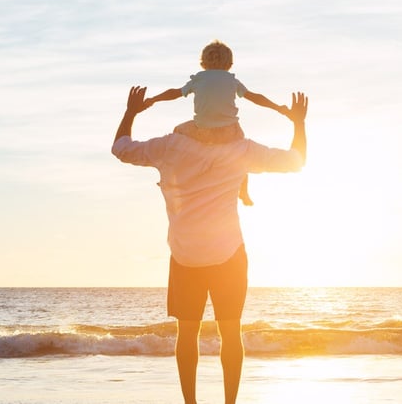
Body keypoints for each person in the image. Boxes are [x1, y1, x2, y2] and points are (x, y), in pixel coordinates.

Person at [112, 85, 308, 404]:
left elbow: (121, 148)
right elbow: (295, 161)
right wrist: (298, 122)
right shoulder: (240, 149)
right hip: (228, 254)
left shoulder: (170, 146)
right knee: (230, 333)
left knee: (187, 334)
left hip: (186, 254)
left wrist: (131, 112)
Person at [144, 40, 288, 205]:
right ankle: (244, 191)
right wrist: (277, 107)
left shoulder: (198, 79)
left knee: (177, 132)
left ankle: (170, 176)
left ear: (203, 63)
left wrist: (153, 99)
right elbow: (255, 97)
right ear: (230, 64)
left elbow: (174, 93)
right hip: (230, 132)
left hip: (201, 131)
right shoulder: (232, 80)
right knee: (242, 157)